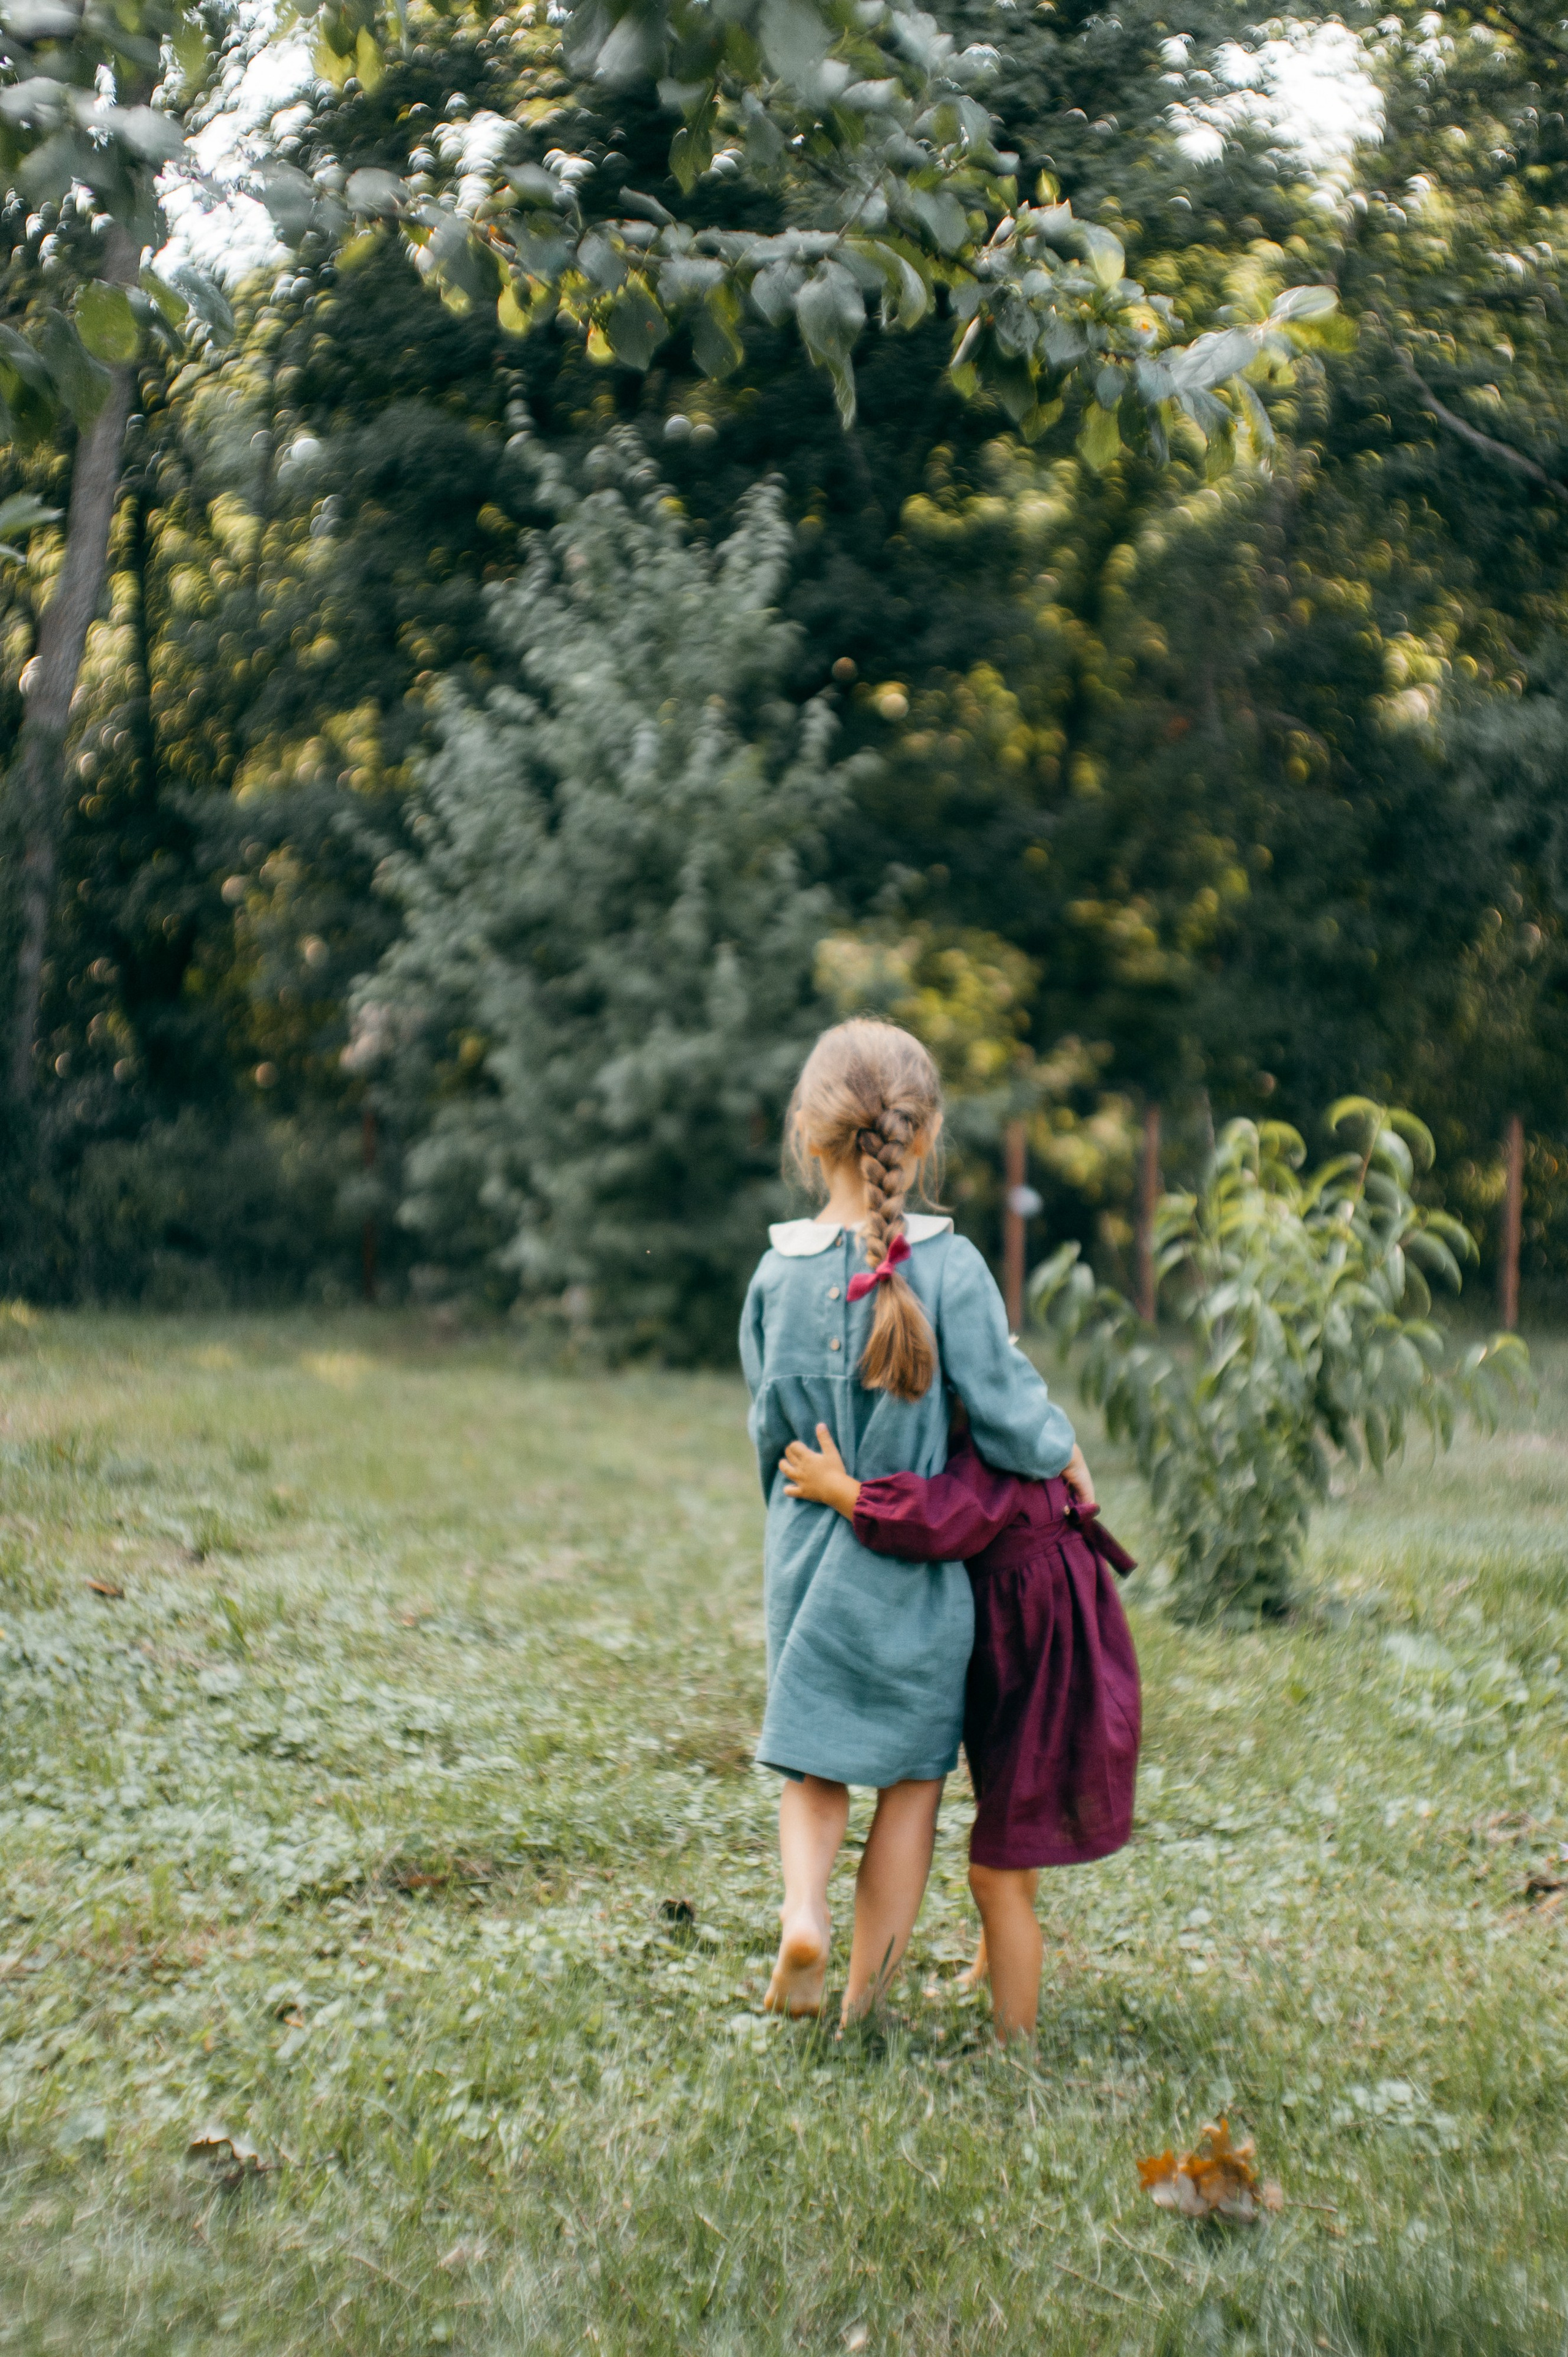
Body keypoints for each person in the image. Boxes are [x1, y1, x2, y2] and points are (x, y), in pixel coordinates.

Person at [739, 1017, 1092, 2024]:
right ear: (923, 1135)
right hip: (918, 1578)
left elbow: (768, 1430)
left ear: (810, 1136)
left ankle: (801, 1910)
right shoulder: (952, 1267)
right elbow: (1013, 1416)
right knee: (910, 1788)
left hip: (809, 1556)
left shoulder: (776, 1274)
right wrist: (1064, 1449)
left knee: (813, 1767)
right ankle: (861, 2003)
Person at [780, 1417, 1140, 2040]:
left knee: (994, 1871)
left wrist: (841, 1490)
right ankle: (988, 1965)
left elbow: (940, 1518)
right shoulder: (1012, 1421)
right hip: (1026, 1640)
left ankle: (1013, 2046)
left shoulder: (998, 1441)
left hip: (1045, 1654)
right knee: (1007, 1817)